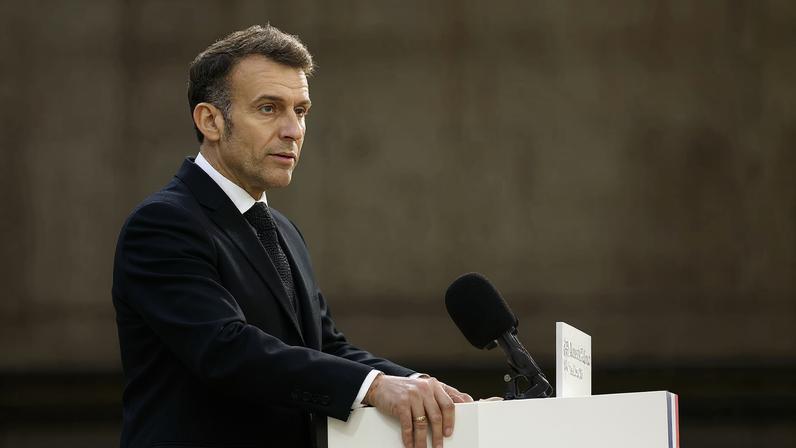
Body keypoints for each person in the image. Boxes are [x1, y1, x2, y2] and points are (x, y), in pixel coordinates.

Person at [112, 24, 472, 448]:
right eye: (268, 109)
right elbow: (226, 350)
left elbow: (324, 346)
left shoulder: (281, 230)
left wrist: (419, 387)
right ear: (210, 120)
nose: (293, 130)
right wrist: (374, 388)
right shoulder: (162, 224)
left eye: (300, 111)